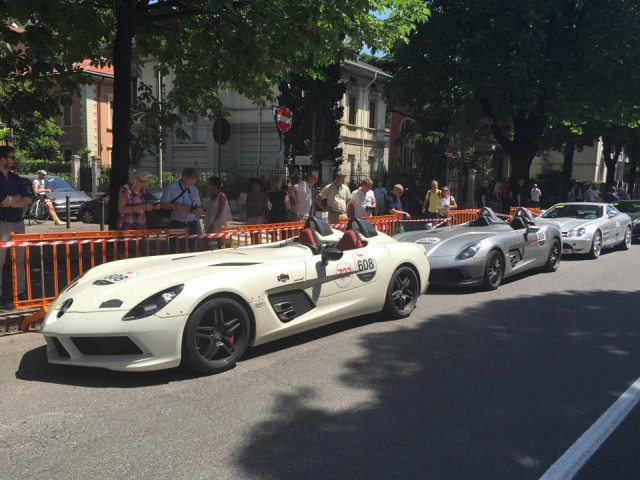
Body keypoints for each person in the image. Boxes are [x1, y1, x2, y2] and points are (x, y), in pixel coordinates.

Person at [0, 146, 32, 306]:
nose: (14, 160)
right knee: (0, 260)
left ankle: (20, 291)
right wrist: (17, 199)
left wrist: (11, 202)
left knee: (20, 260)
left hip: (18, 224)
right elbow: (2, 201)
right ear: (3, 159)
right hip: (2, 225)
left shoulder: (16, 178)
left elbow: (28, 198)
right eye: (11, 157)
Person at [160, 167, 203, 251]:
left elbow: (199, 205)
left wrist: (198, 210)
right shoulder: (172, 187)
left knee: (192, 249)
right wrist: (179, 207)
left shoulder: (194, 189)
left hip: (192, 223)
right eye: (190, 179)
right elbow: (163, 204)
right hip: (177, 223)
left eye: (194, 180)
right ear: (184, 177)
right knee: (177, 249)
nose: (192, 182)